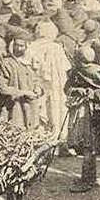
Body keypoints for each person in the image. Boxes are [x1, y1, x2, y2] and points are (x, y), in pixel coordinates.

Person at [27, 21, 72, 149]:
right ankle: (56, 138)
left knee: (40, 107)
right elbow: (65, 67)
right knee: (55, 107)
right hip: (55, 83)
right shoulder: (56, 47)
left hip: (38, 81)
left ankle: (39, 138)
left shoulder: (31, 46)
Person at [0, 37, 41, 128]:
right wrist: (22, 93)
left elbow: (35, 80)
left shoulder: (29, 64)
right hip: (14, 107)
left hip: (30, 107)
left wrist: (37, 88)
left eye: (21, 46)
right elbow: (1, 87)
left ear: (26, 47)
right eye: (16, 45)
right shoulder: (6, 64)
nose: (18, 49)